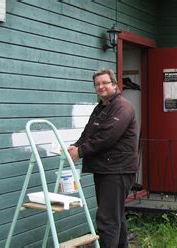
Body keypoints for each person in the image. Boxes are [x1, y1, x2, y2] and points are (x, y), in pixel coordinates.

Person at [68, 68, 138, 247]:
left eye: (105, 83)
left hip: (117, 170)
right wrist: (76, 146)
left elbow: (107, 136)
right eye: (97, 84)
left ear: (114, 84)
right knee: (115, 216)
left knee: (107, 220)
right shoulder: (101, 107)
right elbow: (88, 133)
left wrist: (81, 151)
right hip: (105, 169)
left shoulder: (122, 106)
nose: (101, 87)